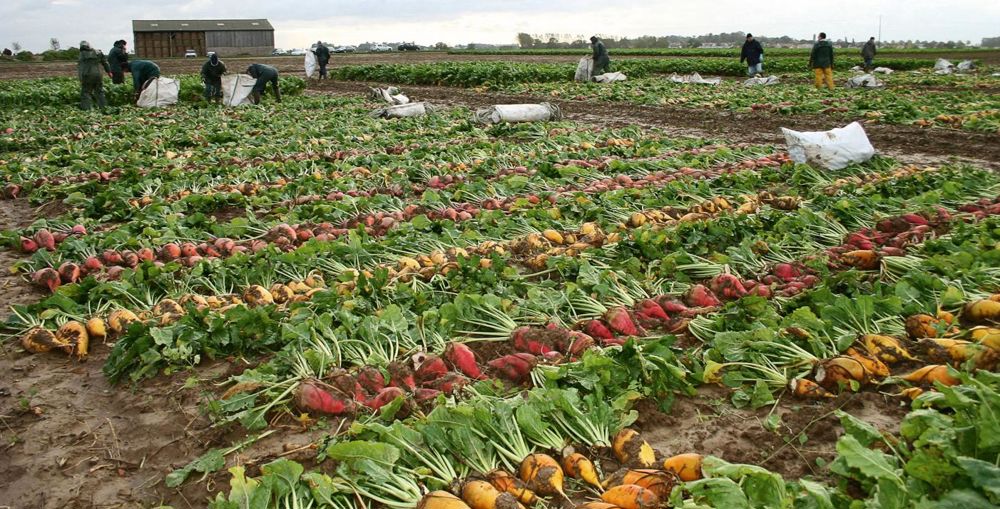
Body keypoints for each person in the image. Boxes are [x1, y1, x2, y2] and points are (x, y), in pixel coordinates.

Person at [77, 41, 110, 110]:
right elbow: (105, 63)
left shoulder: (82, 54)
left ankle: (87, 109)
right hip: (98, 74)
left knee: (86, 92)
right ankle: (104, 107)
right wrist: (109, 72)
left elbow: (81, 67)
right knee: (99, 91)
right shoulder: (98, 52)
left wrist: (80, 78)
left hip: (87, 75)